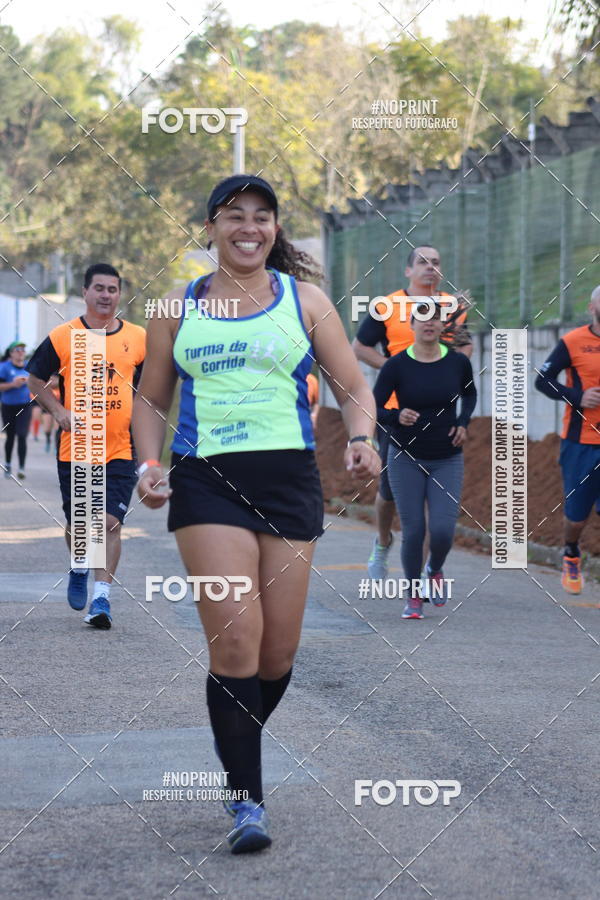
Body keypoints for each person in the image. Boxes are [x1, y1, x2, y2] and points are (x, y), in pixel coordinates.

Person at [132, 174, 380, 854]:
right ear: (210, 227)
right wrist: (149, 464)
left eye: (262, 216)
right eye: (234, 215)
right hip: (207, 483)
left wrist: (361, 438)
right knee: (236, 642)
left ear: (274, 228)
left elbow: (354, 388)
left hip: (289, 481)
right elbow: (151, 399)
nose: (249, 227)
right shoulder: (175, 307)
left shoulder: (306, 301)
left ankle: (236, 740)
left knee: (277, 652)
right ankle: (247, 798)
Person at [28, 263, 146, 627]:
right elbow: (34, 379)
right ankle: (79, 564)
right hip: (77, 448)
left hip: (121, 448)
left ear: (119, 294)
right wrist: (58, 410)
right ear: (85, 292)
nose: (106, 295)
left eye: (112, 289)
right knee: (80, 523)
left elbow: (150, 390)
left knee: (109, 523)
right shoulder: (63, 336)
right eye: (99, 288)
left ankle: (101, 599)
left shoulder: (138, 338)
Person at [352, 246, 472, 580]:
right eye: (422, 262)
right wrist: (397, 369)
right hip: (395, 410)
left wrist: (450, 369)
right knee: (389, 491)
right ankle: (382, 541)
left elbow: (464, 346)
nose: (430, 267)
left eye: (436, 262)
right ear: (408, 271)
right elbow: (359, 347)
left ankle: (420, 577)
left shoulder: (451, 306)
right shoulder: (387, 305)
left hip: (440, 413)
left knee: (432, 503)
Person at [373, 299, 477, 619]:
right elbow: (372, 406)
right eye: (422, 317)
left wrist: (463, 422)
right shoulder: (396, 365)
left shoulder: (457, 363)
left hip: (447, 457)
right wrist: (395, 416)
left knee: (443, 530)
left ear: (443, 325)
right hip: (406, 456)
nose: (429, 323)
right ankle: (413, 595)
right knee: (414, 530)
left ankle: (434, 568)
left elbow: (470, 393)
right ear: (412, 325)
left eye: (435, 318)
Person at [534, 285, 600, 594]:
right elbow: (543, 381)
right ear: (592, 308)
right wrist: (578, 396)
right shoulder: (573, 342)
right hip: (580, 441)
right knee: (577, 516)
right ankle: (571, 552)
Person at [0, 340, 32, 480]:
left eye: (23, 350)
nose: (21, 352)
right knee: (10, 436)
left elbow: (40, 382)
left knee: (22, 435)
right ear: (11, 353)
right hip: (8, 406)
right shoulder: (4, 367)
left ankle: (21, 468)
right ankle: (8, 464)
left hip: (24, 405)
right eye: (18, 350)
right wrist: (13, 384)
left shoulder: (29, 366)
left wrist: (30, 382)